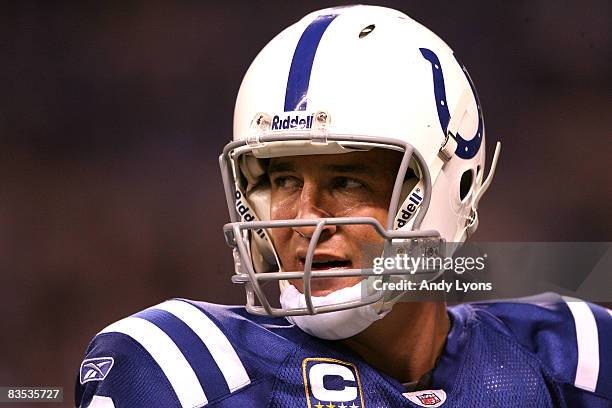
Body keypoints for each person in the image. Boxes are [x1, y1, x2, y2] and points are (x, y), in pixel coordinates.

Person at [75, 5, 611, 407]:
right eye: (283, 178)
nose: (305, 218)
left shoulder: (573, 359)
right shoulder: (183, 370)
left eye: (348, 179)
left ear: (451, 186)